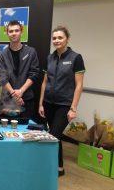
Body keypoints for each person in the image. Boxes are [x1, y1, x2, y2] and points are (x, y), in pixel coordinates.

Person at [38, 26, 85, 176]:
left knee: (53, 136)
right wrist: (41, 103)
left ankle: (49, 167)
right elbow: (44, 83)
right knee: (54, 136)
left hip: (64, 105)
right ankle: (59, 167)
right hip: (48, 103)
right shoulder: (50, 58)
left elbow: (79, 85)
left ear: (67, 39)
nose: (57, 40)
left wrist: (73, 108)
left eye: (60, 37)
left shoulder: (76, 58)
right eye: (54, 38)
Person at [0, 20, 39, 119]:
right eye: (11, 31)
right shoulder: (2, 55)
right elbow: (2, 77)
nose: (14, 33)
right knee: (7, 132)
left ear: (21, 32)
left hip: (26, 99)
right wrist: (14, 94)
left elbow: (34, 73)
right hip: (8, 101)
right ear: (7, 33)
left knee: (26, 132)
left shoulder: (31, 52)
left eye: (16, 30)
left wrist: (21, 91)